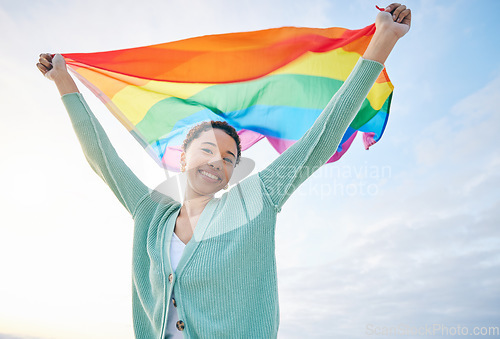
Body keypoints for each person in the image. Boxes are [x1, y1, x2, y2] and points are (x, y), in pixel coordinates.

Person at [36, 3, 411, 338]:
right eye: (207, 150)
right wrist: (63, 81)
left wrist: (384, 40)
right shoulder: (150, 211)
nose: (218, 160)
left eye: (229, 157)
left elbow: (321, 138)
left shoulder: (256, 200)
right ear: (183, 159)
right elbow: (103, 159)